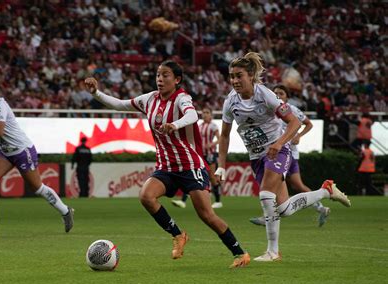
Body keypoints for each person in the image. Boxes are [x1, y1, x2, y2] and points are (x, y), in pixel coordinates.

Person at [84, 60, 250, 268]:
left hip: (190, 166)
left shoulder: (182, 98)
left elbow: (192, 115)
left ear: (177, 79)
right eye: (158, 75)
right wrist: (96, 93)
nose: (160, 79)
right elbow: (120, 104)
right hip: (166, 167)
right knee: (146, 196)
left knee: (207, 215)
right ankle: (178, 235)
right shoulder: (149, 99)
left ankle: (240, 253)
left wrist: (174, 124)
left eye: (165, 75)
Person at [215, 52, 351, 262]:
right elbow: (224, 135)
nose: (234, 80)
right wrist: (221, 166)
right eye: (231, 76)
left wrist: (279, 143)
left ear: (250, 75)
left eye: (238, 75)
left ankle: (273, 251)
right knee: (284, 209)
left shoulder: (266, 95)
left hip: (278, 150)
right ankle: (326, 191)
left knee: (265, 196)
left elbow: (295, 122)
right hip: (257, 157)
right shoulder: (230, 102)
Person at [0, 81, 74, 233]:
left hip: (22, 151)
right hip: (6, 151)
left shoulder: (0, 106)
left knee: (37, 188)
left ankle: (66, 211)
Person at [249, 84, 331, 227]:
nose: (278, 96)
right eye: (276, 93)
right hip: (276, 152)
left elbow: (308, 124)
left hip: (287, 153)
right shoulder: (270, 109)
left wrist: (299, 135)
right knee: (296, 185)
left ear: (287, 96)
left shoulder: (291, 110)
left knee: (277, 182)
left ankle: (268, 215)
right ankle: (321, 207)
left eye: (281, 93)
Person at [172, 106, 223, 209]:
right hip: (199, 155)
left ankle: (218, 201)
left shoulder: (213, 126)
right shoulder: (199, 126)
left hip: (210, 154)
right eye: (203, 112)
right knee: (193, 175)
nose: (205, 114)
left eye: (207, 112)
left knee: (212, 177)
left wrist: (212, 144)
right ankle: (183, 201)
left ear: (211, 115)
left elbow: (220, 139)